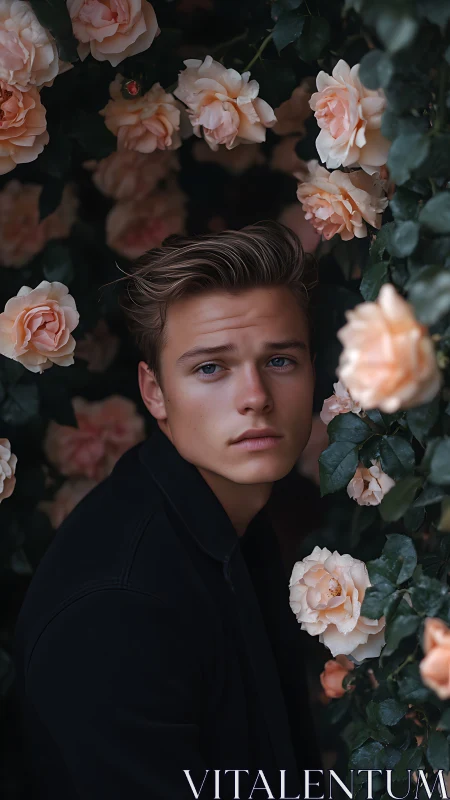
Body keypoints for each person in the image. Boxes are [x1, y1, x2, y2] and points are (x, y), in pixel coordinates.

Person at [13, 221, 323, 799]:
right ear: (154, 392)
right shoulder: (120, 606)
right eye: (211, 368)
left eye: (280, 361)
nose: (255, 395)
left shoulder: (232, 523)